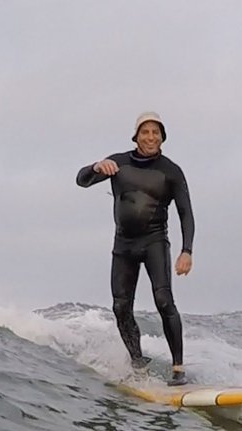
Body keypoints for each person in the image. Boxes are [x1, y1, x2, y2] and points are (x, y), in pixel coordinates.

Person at [76, 111, 194, 386]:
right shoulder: (117, 163)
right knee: (120, 307)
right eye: (145, 132)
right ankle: (137, 363)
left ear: (162, 137)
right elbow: (81, 180)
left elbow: (186, 213)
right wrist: (95, 167)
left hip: (154, 242)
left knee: (164, 301)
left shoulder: (171, 171)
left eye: (156, 132)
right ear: (136, 136)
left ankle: (178, 368)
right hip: (124, 244)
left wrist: (186, 250)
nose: (151, 137)